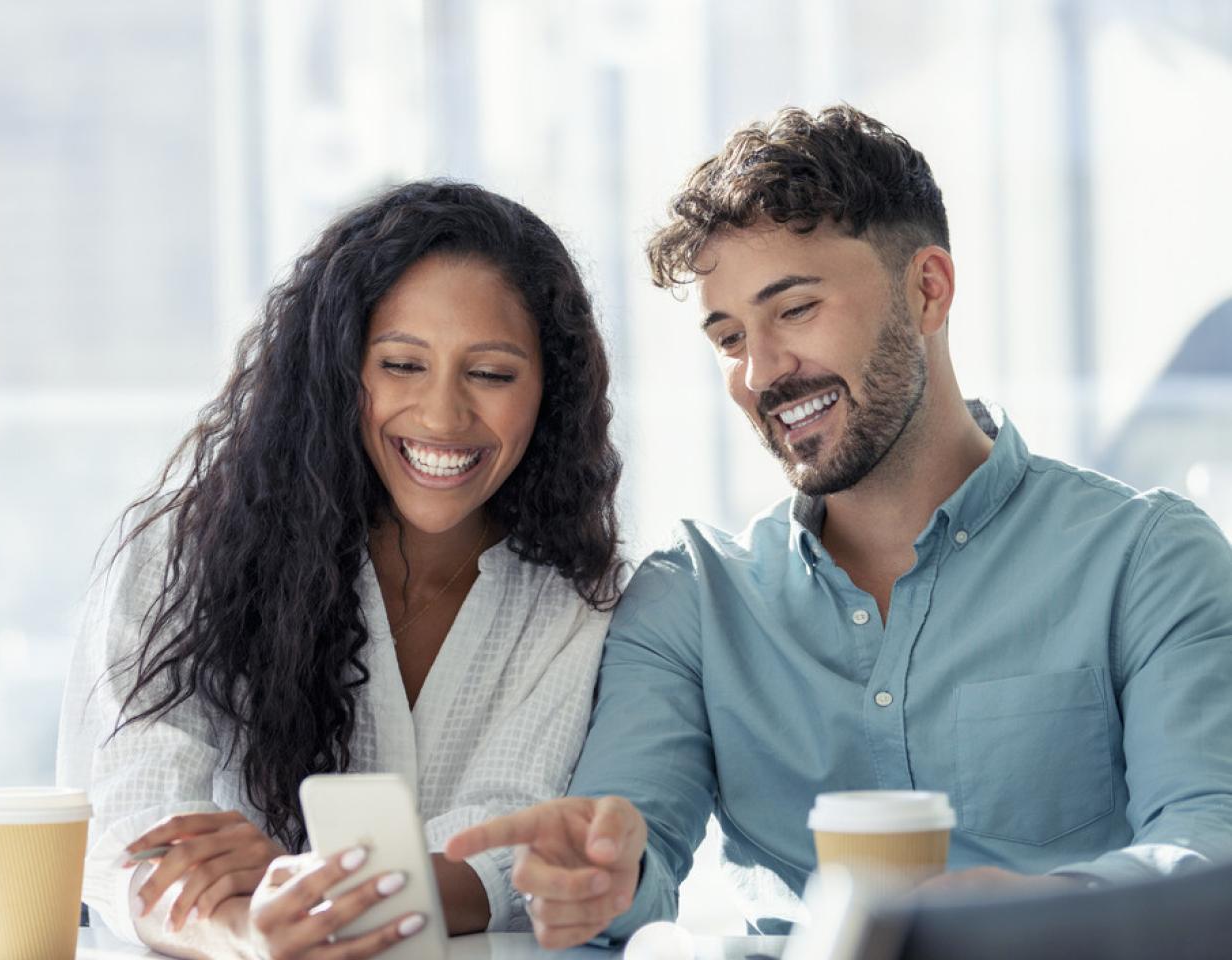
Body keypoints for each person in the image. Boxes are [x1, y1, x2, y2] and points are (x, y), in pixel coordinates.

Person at [446, 105, 1232, 947]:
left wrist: (1028, 913)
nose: (760, 372)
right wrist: (603, 880)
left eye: (795, 309)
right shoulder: (694, 596)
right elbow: (629, 849)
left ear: (927, 290)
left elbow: (1209, 844)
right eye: (728, 336)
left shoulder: (1149, 560)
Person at [57, 180, 624, 959]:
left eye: (490, 374)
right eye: (400, 364)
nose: (441, 417)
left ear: (549, 393)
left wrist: (306, 887)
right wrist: (251, 930)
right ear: (335, 372)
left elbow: (504, 845)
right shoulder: (184, 551)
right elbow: (134, 828)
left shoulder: (569, 598)